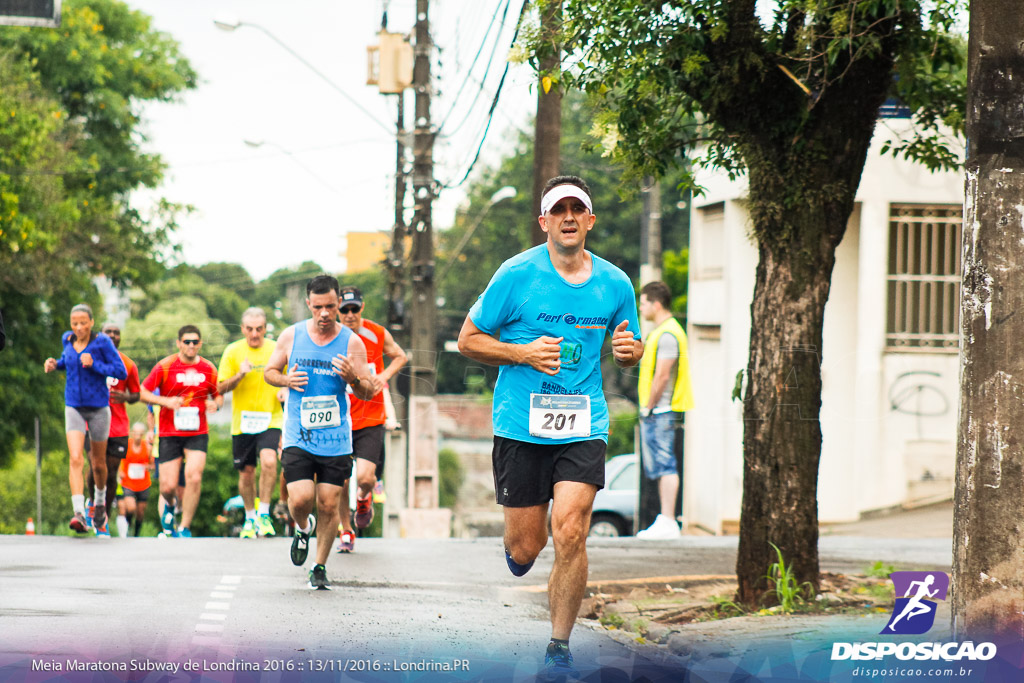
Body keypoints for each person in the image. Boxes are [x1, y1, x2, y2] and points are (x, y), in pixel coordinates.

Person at [457, 176, 644, 680]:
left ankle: (559, 645)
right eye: (557, 209)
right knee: (527, 547)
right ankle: (518, 548)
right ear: (544, 222)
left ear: (589, 220)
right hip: (521, 425)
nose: (567, 216)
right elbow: (467, 340)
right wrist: (520, 352)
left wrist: (631, 354)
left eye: (576, 209)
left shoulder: (615, 284)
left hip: (584, 421)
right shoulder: (515, 275)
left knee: (572, 529)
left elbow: (631, 348)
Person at [264, 275, 375, 590]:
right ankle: (303, 527)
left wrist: (354, 378)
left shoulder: (352, 342)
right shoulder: (291, 336)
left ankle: (320, 565)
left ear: (339, 303)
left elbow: (368, 391)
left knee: (329, 504)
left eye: (330, 306)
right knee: (300, 499)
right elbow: (270, 373)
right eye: (318, 307)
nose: (324, 313)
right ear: (309, 305)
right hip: (299, 434)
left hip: (336, 439)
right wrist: (286, 381)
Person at [335, 285, 408, 552]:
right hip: (339, 418)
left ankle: (364, 498)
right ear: (338, 311)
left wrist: (383, 377)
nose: (350, 315)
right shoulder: (331, 336)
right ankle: (346, 530)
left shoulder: (376, 333)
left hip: (370, 416)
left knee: (365, 477)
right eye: (345, 310)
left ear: (362, 308)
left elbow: (400, 356)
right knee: (341, 480)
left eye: (354, 309)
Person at [44, 304, 127, 535]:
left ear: (91, 322)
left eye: (83, 323)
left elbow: (121, 372)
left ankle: (99, 504)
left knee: (98, 464)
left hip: (99, 408)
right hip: (74, 406)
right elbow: (67, 363)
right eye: (75, 323)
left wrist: (95, 365)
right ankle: (79, 512)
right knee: (75, 457)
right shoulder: (67, 339)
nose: (79, 327)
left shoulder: (102, 343)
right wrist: (55, 364)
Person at [140, 325, 223, 537]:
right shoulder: (165, 366)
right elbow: (141, 391)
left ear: (200, 343)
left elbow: (218, 393)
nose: (191, 345)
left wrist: (216, 404)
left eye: (195, 342)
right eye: (187, 341)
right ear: (179, 343)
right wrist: (164, 401)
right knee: (168, 487)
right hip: (169, 432)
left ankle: (185, 527)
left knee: (194, 476)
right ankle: (170, 506)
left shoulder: (208, 368)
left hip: (197, 432)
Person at [217, 307, 284, 539]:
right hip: (243, 423)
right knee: (246, 473)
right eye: (250, 329)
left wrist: (284, 389)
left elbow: (288, 378)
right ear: (243, 329)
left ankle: (264, 514)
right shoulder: (233, 351)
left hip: (271, 418)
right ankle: (250, 517)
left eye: (259, 329)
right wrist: (240, 374)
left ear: (265, 328)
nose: (255, 334)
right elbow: (220, 387)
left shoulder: (276, 349)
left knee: (268, 462)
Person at [635, 281, 695, 540]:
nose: (641, 307)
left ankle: (669, 520)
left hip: (661, 410)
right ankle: (665, 519)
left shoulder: (668, 333)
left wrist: (649, 407)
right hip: (660, 410)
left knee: (666, 464)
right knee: (662, 465)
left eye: (644, 302)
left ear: (656, 304)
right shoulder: (665, 331)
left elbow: (662, 376)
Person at [83, 322, 141, 537]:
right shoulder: (88, 359)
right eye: (109, 332)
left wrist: (126, 397)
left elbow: (137, 394)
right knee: (95, 465)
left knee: (110, 474)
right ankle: (93, 505)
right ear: (101, 336)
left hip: (118, 427)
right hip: (92, 422)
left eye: (116, 333)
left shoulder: (127, 364)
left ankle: (103, 517)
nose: (113, 335)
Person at [117, 422, 155, 537]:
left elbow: (153, 465)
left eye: (140, 433)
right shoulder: (126, 445)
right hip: (128, 482)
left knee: (140, 512)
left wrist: (148, 467)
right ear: (132, 433)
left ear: (143, 434)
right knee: (130, 507)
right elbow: (118, 460)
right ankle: (127, 527)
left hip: (143, 484)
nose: (138, 435)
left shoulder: (147, 447)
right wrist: (120, 472)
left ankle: (136, 534)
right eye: (136, 433)